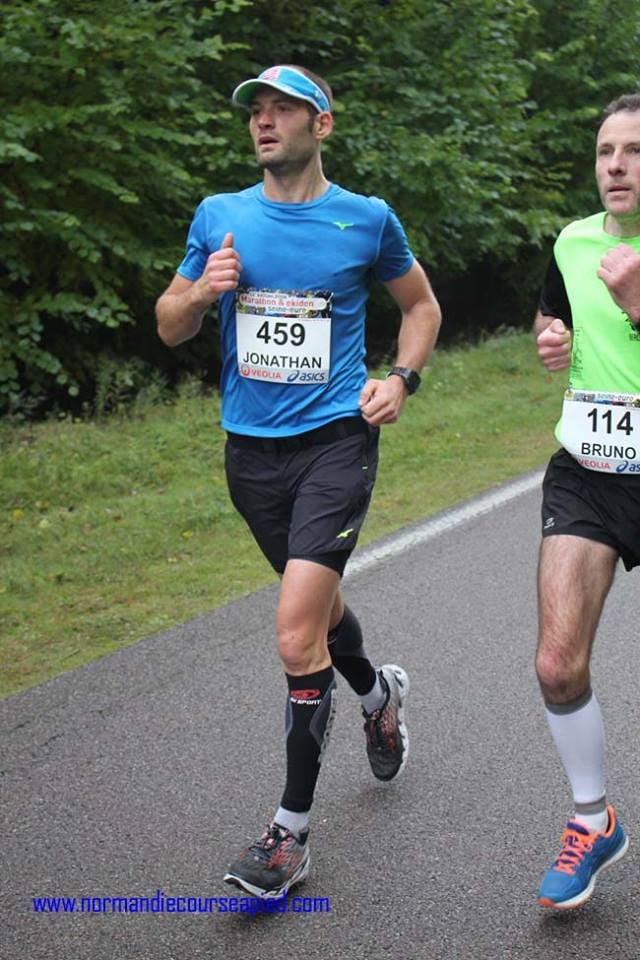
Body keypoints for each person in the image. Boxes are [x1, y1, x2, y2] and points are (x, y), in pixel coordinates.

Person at [155, 64, 441, 899]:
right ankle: (379, 694)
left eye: (283, 108)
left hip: (335, 446)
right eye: (257, 110)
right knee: (315, 611)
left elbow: (420, 307)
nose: (264, 121)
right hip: (250, 457)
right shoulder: (220, 216)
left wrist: (401, 379)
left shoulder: (366, 219)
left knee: (292, 635)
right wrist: (201, 295)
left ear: (322, 123)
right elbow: (168, 325)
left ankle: (289, 835)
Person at [533, 93, 640, 910]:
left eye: (634, 151)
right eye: (606, 151)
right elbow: (553, 313)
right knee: (556, 662)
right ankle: (591, 817)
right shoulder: (572, 242)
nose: (617, 165)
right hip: (590, 468)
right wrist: (552, 337)